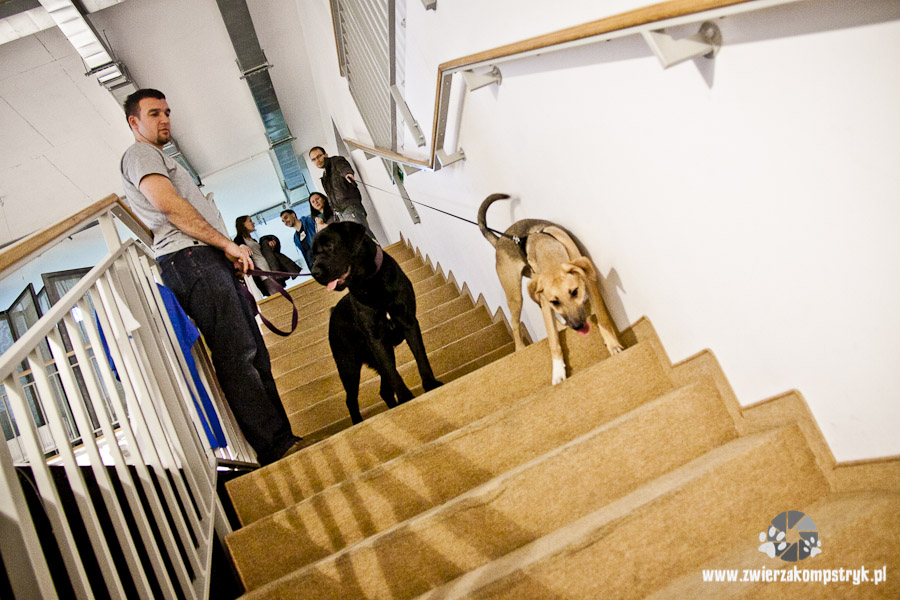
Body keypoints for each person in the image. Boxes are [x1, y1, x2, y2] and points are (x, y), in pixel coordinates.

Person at [119, 88, 304, 465]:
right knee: (239, 354)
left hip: (204, 258)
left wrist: (224, 252)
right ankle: (275, 447)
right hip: (190, 258)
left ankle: (284, 440)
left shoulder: (161, 158)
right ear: (134, 122)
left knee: (254, 353)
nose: (165, 119)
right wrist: (226, 244)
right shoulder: (140, 155)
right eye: (154, 114)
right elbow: (169, 206)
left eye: (167, 112)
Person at [308, 146, 376, 239]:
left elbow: (343, 167)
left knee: (362, 237)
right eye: (314, 159)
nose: (317, 160)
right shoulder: (324, 177)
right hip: (340, 214)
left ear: (326, 155)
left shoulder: (335, 161)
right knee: (356, 241)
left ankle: (376, 249)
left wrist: (348, 174)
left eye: (319, 156)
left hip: (350, 207)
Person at [234, 215, 281, 297]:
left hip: (269, 270)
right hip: (262, 274)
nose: (253, 223)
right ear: (243, 224)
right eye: (250, 221)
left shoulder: (253, 240)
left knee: (280, 295)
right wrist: (240, 246)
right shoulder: (239, 240)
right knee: (277, 297)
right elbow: (235, 252)